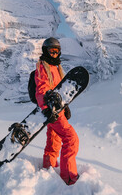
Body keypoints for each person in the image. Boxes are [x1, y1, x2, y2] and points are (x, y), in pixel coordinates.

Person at [34, 37, 79, 185]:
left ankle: (49, 170)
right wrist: (47, 109)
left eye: (56, 51)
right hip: (52, 111)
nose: (54, 54)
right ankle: (69, 177)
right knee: (71, 139)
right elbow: (41, 90)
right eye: (51, 51)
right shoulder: (42, 66)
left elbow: (60, 91)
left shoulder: (56, 67)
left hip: (57, 110)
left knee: (54, 140)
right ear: (45, 51)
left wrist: (65, 106)